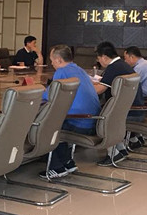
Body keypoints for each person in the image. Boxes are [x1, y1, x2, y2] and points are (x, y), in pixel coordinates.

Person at [39, 45, 101, 180]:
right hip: (94, 121)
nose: (51, 63)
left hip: (80, 122)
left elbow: (50, 96)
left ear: (59, 60)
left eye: (52, 60)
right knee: (59, 121)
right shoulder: (80, 70)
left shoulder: (61, 72)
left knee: (47, 126)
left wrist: (37, 91)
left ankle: (56, 167)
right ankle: (67, 162)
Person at [93, 42, 145, 164]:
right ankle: (120, 149)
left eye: (98, 58)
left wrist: (84, 88)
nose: (98, 61)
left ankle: (113, 153)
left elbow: (99, 90)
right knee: (110, 112)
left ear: (104, 57)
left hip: (130, 113)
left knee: (103, 117)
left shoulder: (113, 68)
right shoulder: (122, 65)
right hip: (135, 110)